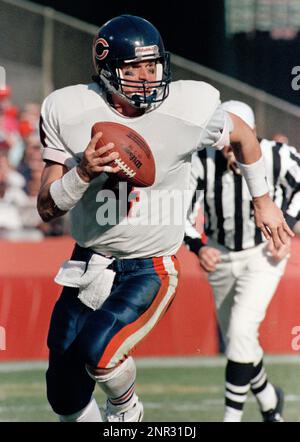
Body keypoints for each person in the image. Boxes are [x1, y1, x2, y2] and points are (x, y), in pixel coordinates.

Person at [37, 15, 293, 423]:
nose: (146, 77)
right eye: (132, 68)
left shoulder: (188, 106)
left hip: (151, 265)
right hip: (90, 261)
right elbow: (47, 207)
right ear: (105, 69)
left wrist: (263, 200)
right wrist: (82, 172)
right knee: (63, 393)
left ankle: (127, 410)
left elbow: (244, 136)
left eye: (152, 65)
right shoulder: (68, 109)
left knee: (100, 353)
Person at [184, 100, 300, 422]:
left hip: (264, 253)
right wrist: (196, 245)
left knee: (239, 331)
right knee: (241, 339)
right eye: (226, 142)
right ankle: (268, 401)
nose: (230, 150)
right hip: (221, 255)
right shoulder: (202, 160)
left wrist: (286, 225)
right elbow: (178, 208)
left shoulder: (275, 155)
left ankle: (231, 418)